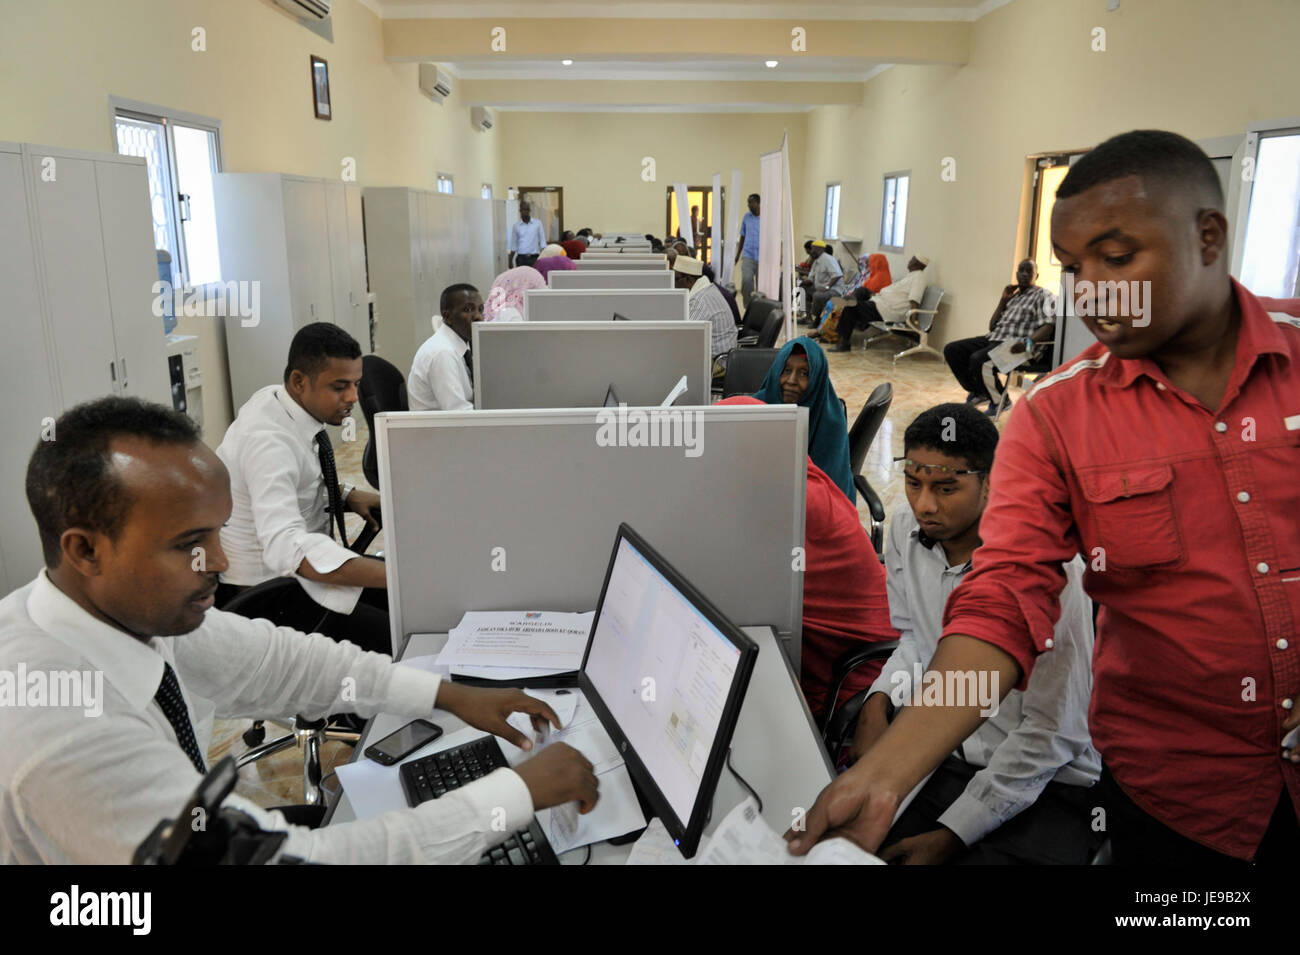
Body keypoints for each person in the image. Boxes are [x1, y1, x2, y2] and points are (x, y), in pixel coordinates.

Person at [789, 130, 1300, 866]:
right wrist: (882, 777)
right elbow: (1003, 596)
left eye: (1117, 258)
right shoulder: (1055, 418)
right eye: (1071, 268)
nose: (1088, 292)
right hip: (1179, 801)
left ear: (1209, 236)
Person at [0, 396, 600, 863]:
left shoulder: (130, 616)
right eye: (189, 544)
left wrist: (448, 694)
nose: (222, 560)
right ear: (84, 550)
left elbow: (280, 663)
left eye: (218, 533)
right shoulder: (62, 731)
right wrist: (514, 796)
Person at [851, 404, 1100, 865]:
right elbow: (913, 638)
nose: (925, 504)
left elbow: (1056, 730)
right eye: (913, 483)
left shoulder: (1053, 573)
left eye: (947, 488)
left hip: (1044, 779)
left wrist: (955, 831)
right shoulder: (906, 530)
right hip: (946, 755)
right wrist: (878, 699)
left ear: (991, 482)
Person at [215, 323, 388, 652]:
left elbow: (301, 477)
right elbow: (285, 548)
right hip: (268, 597)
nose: (352, 397)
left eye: (355, 384)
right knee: (396, 632)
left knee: (403, 603)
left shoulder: (279, 401)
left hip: (303, 576)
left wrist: (346, 494)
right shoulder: (267, 442)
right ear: (298, 381)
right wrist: (397, 576)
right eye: (339, 387)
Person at [943, 258, 1056, 413]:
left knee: (980, 361)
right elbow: (992, 326)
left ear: (1036, 275)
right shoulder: (1014, 297)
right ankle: (981, 391)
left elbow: (1049, 325)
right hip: (994, 339)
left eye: (1028, 271)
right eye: (1021, 270)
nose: (1024, 274)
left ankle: (1000, 401)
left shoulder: (1043, 295)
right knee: (952, 350)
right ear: (1016, 273)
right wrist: (1003, 301)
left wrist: (1027, 342)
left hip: (1020, 347)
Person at [752, 337, 855, 504]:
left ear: (816, 379)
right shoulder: (754, 410)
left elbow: (834, 495)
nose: (792, 380)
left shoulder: (831, 423)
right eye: (786, 370)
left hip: (812, 511)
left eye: (804, 373)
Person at [408, 283, 481, 411]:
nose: (478, 317)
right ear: (448, 317)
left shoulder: (462, 345)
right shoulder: (442, 353)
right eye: (468, 310)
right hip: (437, 429)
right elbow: (459, 413)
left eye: (480, 309)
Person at [835, 255, 929, 352]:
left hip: (887, 310)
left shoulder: (919, 278)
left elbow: (915, 299)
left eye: (912, 259)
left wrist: (914, 321)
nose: (909, 261)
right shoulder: (912, 275)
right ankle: (850, 304)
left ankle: (844, 343)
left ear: (917, 264)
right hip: (881, 303)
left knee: (851, 307)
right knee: (862, 291)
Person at [816, 253, 892, 343]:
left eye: (871, 262)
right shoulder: (873, 276)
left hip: (867, 307)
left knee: (838, 308)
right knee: (831, 303)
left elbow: (869, 296)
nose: (869, 265)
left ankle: (830, 335)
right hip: (860, 302)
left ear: (876, 263)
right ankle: (822, 330)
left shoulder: (882, 279)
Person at [673, 254, 736, 360]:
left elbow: (683, 337)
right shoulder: (707, 289)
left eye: (676, 279)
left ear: (688, 280)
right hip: (718, 355)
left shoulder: (700, 301)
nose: (673, 284)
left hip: (718, 363)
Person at [802, 241, 845, 326]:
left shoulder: (828, 259)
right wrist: (803, 282)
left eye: (813, 249)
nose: (811, 251)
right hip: (821, 287)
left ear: (820, 249)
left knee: (818, 295)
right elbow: (811, 278)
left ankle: (817, 320)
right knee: (803, 290)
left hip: (834, 290)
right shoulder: (816, 261)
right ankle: (808, 318)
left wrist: (827, 287)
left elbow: (837, 275)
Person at [735, 193, 761, 308]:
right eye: (748, 202)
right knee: (746, 280)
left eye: (751, 202)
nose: (748, 205)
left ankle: (759, 307)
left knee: (762, 285)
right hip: (748, 255)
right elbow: (742, 236)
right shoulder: (746, 217)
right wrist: (737, 255)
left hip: (762, 257)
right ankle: (748, 306)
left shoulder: (767, 218)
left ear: (758, 203)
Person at [507, 201, 545, 268]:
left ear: (530, 210)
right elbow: (513, 245)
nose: (525, 212)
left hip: (534, 258)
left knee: (533, 278)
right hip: (521, 259)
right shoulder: (516, 226)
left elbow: (542, 242)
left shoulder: (538, 224)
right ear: (520, 211)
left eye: (527, 209)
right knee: (521, 278)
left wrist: (544, 258)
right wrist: (510, 261)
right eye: (523, 210)